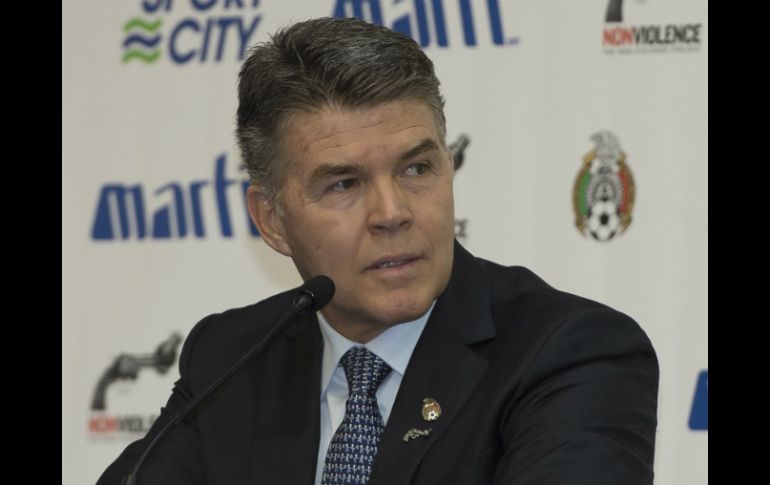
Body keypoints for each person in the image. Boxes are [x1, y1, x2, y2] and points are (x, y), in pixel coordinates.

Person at [97, 17, 658, 485]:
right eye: (343, 183)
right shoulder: (232, 358)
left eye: (417, 169)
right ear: (271, 220)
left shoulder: (570, 353)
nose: (392, 212)